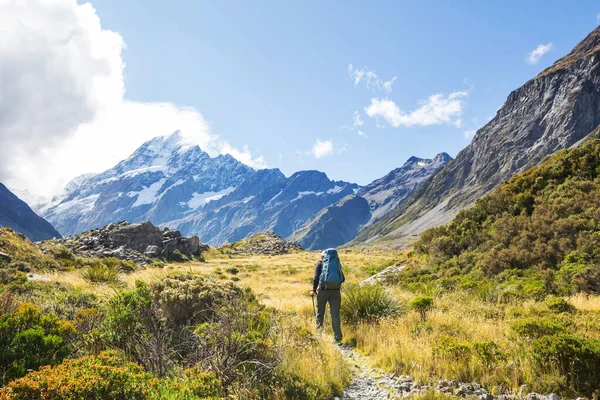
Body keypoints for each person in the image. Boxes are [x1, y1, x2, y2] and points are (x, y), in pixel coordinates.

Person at [310, 249, 344, 343]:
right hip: (336, 292)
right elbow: (343, 278)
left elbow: (316, 278)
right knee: (335, 315)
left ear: (323, 256)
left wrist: (313, 290)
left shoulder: (320, 264)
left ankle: (319, 334)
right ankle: (338, 338)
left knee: (320, 313)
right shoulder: (337, 264)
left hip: (323, 291)